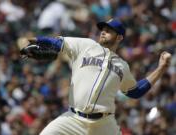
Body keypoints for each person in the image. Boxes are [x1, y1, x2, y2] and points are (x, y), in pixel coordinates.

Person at [20, 18, 171, 135]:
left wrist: (161, 68)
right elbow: (58, 43)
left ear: (119, 38)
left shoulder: (122, 66)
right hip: (73, 119)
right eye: (103, 29)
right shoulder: (86, 46)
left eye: (109, 30)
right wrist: (37, 39)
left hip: (104, 124)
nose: (103, 32)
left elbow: (135, 91)